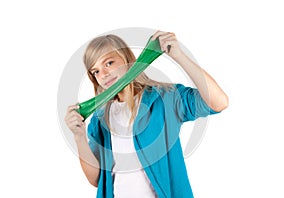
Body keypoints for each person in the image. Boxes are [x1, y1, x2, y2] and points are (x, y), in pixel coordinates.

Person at [64, 30, 228, 198]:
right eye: (96, 71)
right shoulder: (100, 118)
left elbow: (219, 102)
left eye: (109, 63)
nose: (104, 75)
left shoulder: (165, 98)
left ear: (127, 59)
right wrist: (79, 136)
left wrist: (179, 56)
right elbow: (97, 179)